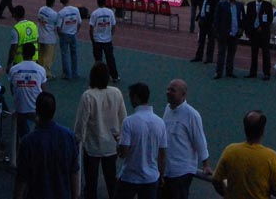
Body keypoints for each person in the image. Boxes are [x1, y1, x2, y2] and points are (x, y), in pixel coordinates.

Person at [75, 62, 127, 199]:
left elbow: (82, 121)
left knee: (91, 182)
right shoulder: (116, 93)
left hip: (92, 145)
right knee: (111, 179)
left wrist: (78, 139)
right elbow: (123, 118)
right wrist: (122, 140)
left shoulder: (88, 95)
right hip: (111, 145)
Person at [14, 92, 79, 199]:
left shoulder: (27, 142)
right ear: (54, 110)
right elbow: (74, 172)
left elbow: (22, 178)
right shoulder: (68, 136)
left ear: (37, 111)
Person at [212, 110, 276, 199]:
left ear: (245, 128)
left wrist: (227, 194)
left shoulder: (230, 150)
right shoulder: (271, 156)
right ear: (263, 130)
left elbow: (216, 180)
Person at [116, 82, 168, 199]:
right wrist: (161, 175)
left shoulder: (129, 121)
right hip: (151, 177)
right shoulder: (160, 122)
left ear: (135, 98)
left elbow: (123, 153)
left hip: (130, 177)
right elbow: (162, 154)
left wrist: (118, 143)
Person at [162, 79, 211, 199]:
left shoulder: (192, 115)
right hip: (167, 169)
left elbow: (200, 140)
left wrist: (206, 165)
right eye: (168, 89)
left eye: (172, 90)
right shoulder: (168, 109)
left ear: (183, 95)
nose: (168, 92)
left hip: (181, 172)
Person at [8, 42, 46, 141]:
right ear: (34, 54)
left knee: (21, 129)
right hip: (35, 107)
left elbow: (12, 88)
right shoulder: (41, 69)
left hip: (19, 107)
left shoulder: (14, 69)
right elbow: (44, 90)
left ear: (22, 53)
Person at [214, 0, 245, 79]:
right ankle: (218, 72)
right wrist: (217, 32)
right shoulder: (221, 4)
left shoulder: (240, 5)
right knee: (221, 54)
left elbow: (243, 18)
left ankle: (229, 72)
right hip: (224, 33)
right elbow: (216, 18)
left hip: (235, 34)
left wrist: (241, 29)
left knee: (231, 54)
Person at [245, 0, 274, 80]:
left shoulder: (268, 5)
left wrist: (262, 27)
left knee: (265, 53)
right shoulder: (250, 5)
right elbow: (248, 19)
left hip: (264, 33)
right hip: (254, 33)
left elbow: (270, 19)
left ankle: (266, 73)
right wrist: (249, 30)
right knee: (254, 53)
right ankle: (253, 72)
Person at [90, 0, 120, 81]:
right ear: (106, 2)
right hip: (107, 40)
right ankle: (114, 76)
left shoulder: (95, 13)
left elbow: (91, 28)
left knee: (98, 60)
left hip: (97, 40)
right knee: (110, 59)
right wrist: (110, 34)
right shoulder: (110, 12)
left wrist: (92, 39)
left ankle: (98, 77)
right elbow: (114, 25)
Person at [192, 0, 219, 64]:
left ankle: (209, 58)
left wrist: (213, 22)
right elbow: (203, 8)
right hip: (203, 22)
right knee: (201, 40)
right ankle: (198, 56)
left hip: (210, 23)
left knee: (210, 41)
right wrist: (199, 16)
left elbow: (215, 11)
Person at [56, 0, 82, 79]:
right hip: (73, 34)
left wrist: (60, 35)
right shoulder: (76, 10)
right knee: (74, 54)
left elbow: (58, 27)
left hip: (64, 34)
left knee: (65, 54)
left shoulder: (61, 12)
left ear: (61, 2)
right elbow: (79, 22)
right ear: (68, 0)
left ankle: (67, 74)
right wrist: (76, 31)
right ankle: (75, 73)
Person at [8, 5, 40, 70]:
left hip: (20, 61)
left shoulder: (16, 29)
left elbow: (13, 49)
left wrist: (9, 64)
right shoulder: (33, 25)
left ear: (14, 15)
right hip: (34, 59)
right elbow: (37, 41)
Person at [37, 0, 60, 76]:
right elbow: (57, 26)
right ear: (53, 3)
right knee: (49, 57)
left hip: (40, 35)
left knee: (40, 55)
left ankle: (39, 71)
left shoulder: (41, 9)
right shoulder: (54, 14)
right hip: (49, 38)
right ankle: (47, 73)